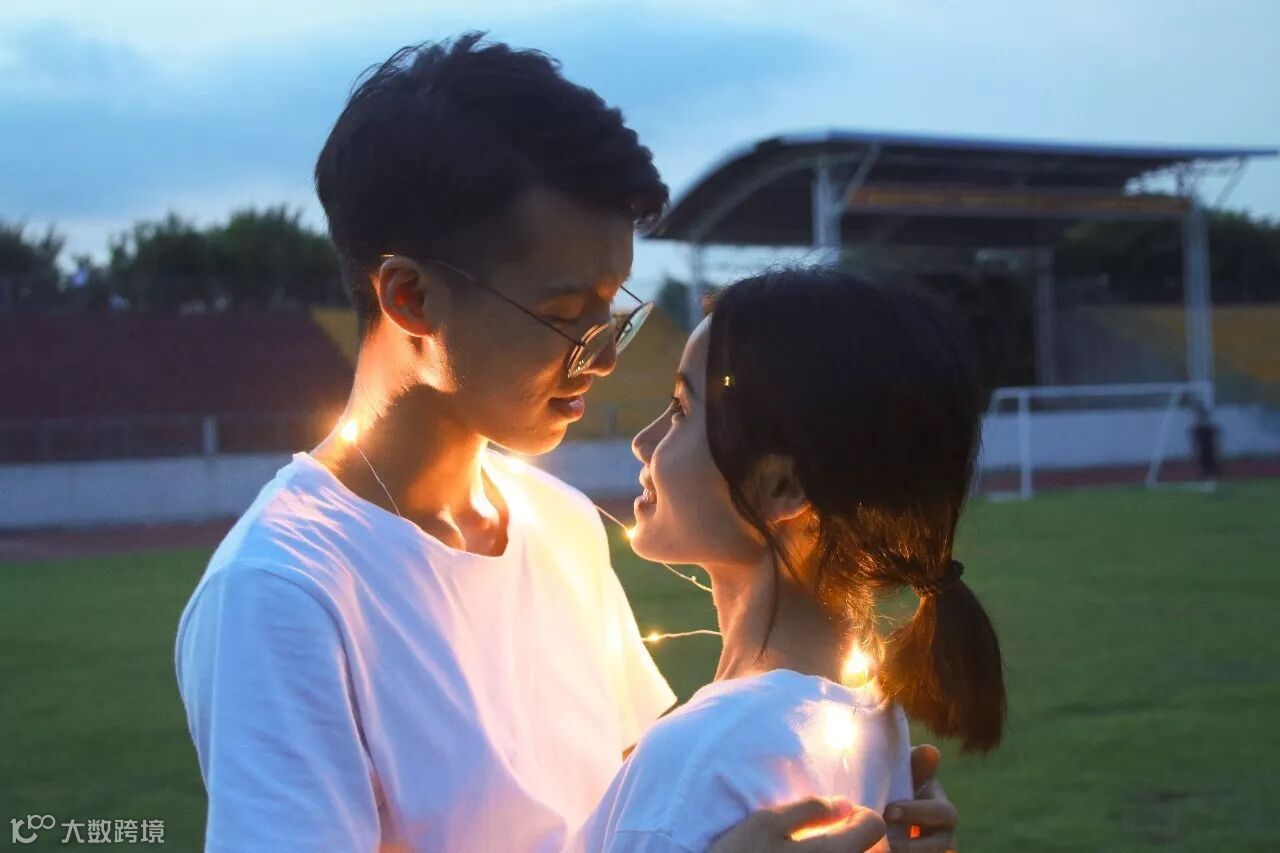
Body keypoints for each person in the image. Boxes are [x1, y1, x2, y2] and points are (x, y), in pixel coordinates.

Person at [174, 34, 956, 851]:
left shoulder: (560, 524)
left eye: (613, 309)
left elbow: (649, 809)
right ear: (411, 298)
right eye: (562, 315)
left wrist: (858, 817)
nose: (606, 355)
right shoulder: (282, 593)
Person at [572, 268, 1004, 852]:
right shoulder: (875, 722)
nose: (643, 441)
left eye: (680, 411)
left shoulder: (699, 760)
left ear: (782, 487)